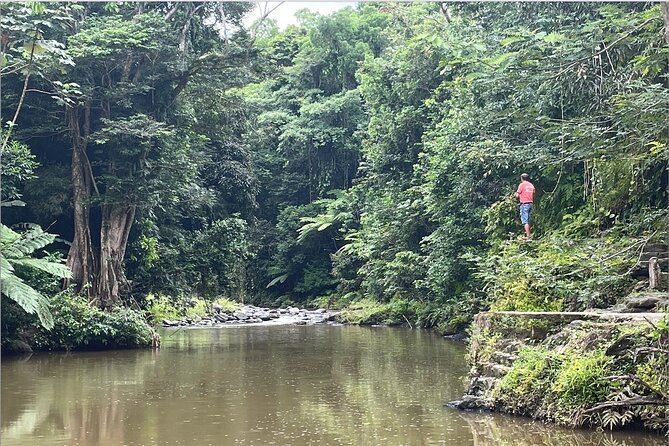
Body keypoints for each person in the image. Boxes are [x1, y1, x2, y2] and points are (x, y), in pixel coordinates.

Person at [515, 173, 535, 240]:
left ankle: (528, 237)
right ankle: (529, 235)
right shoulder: (531, 185)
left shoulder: (522, 184)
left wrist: (517, 194)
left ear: (522, 178)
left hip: (524, 204)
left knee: (525, 221)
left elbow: (517, 195)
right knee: (529, 221)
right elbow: (534, 192)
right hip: (531, 204)